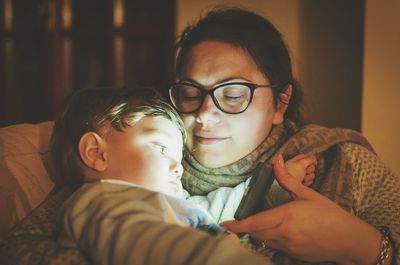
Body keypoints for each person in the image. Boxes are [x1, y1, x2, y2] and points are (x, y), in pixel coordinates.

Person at [168, 7, 399, 265]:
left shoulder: (348, 163)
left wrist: (357, 243)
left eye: (233, 95)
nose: (204, 114)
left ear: (280, 103)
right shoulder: (150, 167)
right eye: (190, 93)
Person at [51, 87, 315, 265]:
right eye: (160, 148)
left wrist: (277, 185)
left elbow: (225, 205)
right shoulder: (100, 202)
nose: (178, 168)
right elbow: (153, 245)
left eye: (178, 158)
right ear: (96, 153)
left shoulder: (174, 204)